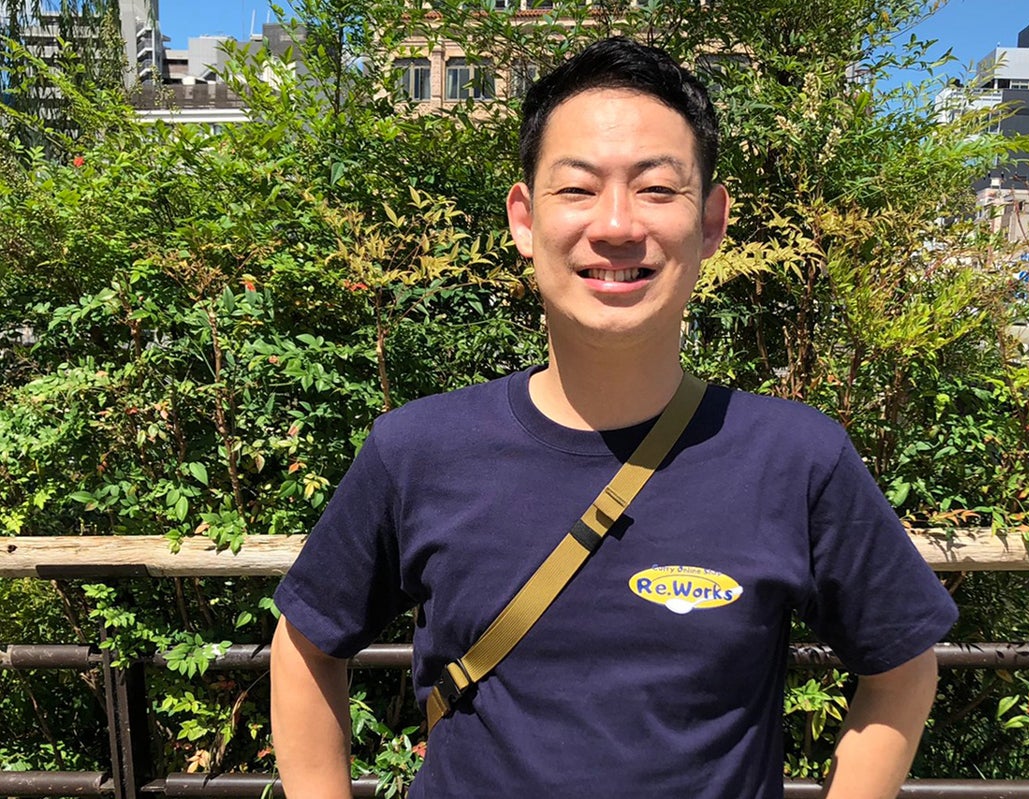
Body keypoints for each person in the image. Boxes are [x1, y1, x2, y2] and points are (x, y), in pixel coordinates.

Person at [270, 37, 958, 799]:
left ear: (711, 222)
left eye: (658, 189)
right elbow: (305, 647)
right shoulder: (418, 449)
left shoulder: (797, 459)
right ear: (525, 219)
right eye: (578, 189)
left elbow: (901, 671)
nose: (617, 224)